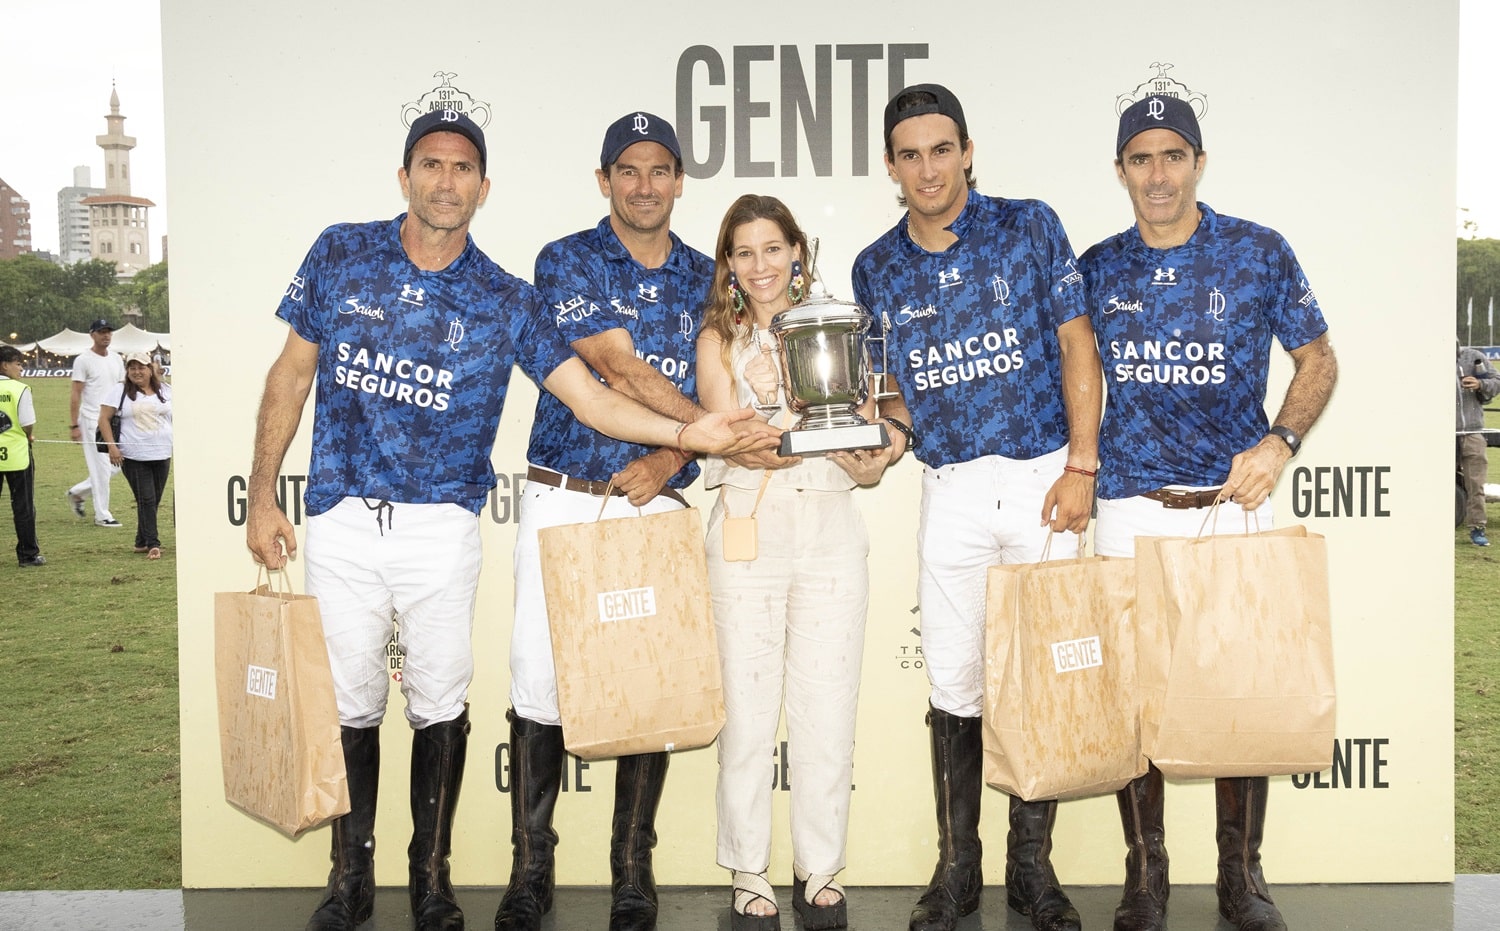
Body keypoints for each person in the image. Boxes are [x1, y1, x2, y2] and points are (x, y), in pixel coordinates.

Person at [244, 108, 769, 931]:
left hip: (450, 527)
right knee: (351, 703)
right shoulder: (341, 251)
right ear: (405, 176)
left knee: (444, 705)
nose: (446, 181)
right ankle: (352, 880)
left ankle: (432, 882)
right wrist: (266, 492)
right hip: (344, 517)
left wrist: (681, 442)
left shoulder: (505, 296)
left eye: (462, 169)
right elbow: (290, 373)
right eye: (431, 164)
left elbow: (590, 394)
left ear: (484, 188)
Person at [1080, 95, 1338, 931]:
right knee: (1138, 699)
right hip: (1128, 506)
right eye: (1141, 159)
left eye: (1173, 156)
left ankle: (1242, 874)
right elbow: (1068, 381)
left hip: (1230, 506)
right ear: (1120, 171)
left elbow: (1318, 358)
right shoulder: (1095, 266)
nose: (1158, 174)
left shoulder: (1258, 251)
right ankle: (1147, 873)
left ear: (1199, 162)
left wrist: (1279, 443)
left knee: (1238, 692)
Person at [850, 84, 1102, 931]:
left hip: (1042, 482)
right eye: (910, 153)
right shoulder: (874, 266)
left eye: (941, 149)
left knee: (1040, 681)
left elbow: (1077, 342)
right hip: (950, 488)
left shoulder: (1030, 224)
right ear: (891, 165)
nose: (928, 168)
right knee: (954, 682)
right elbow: (894, 394)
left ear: (967, 152)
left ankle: (1033, 868)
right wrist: (882, 443)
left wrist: (1082, 463)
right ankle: (958, 867)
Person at [498, 110, 731, 931]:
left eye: (659, 170)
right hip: (565, 494)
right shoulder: (566, 258)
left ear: (678, 181)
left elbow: (722, 399)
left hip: (655, 502)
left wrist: (675, 458)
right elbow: (615, 367)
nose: (643, 185)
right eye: (627, 170)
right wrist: (696, 432)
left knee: (644, 685)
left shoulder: (712, 278)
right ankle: (532, 871)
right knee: (539, 683)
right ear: (604, 180)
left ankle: (633, 869)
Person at [696, 194, 906, 931]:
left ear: (797, 251)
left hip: (830, 528)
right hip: (748, 530)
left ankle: (820, 864)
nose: (760, 265)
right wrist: (771, 407)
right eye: (744, 252)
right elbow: (727, 437)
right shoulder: (717, 340)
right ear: (729, 264)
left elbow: (873, 430)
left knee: (826, 709)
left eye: (772, 249)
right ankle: (748, 867)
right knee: (749, 715)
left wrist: (873, 453)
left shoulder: (838, 330)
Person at [99, 351, 173, 559]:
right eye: (132, 368)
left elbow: (175, 417)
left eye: (141, 367)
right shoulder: (119, 391)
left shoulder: (166, 391)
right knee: (147, 499)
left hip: (162, 452)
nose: (137, 372)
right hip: (133, 456)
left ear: (150, 369)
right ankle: (153, 544)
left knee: (153, 500)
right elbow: (104, 419)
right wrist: (112, 447)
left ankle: (140, 541)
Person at [66, 319, 125, 527]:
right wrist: (74, 425)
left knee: (118, 463)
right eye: (101, 332)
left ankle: (78, 493)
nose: (106, 335)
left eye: (108, 332)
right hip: (91, 419)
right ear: (92, 335)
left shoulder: (117, 359)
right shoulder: (83, 360)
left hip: (112, 420)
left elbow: (121, 388)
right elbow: (76, 393)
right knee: (101, 468)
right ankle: (102, 515)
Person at [0, 346, 44, 567]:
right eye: (18, 363)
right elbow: (27, 422)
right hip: (17, 456)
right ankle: (28, 554)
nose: (21, 368)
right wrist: (29, 435)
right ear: (5, 365)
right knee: (23, 505)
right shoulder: (20, 389)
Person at [1457, 342, 1498, 546]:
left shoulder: (1475, 357)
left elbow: (1497, 381)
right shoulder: (1428, 359)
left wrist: (1481, 385)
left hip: (1472, 432)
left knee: (1476, 485)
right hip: (1440, 434)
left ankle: (1478, 528)